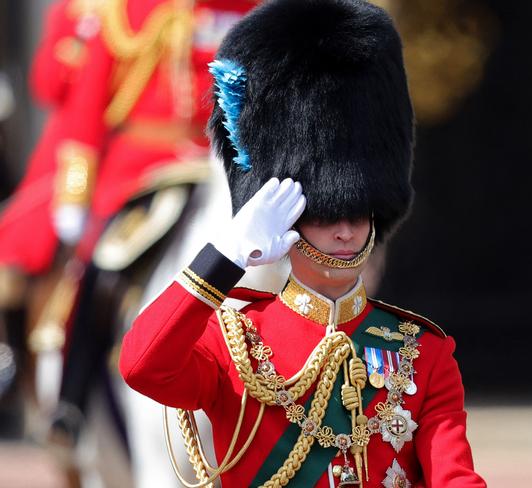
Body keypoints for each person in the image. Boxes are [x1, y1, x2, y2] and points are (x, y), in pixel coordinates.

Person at [120, 0, 486, 486]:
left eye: (358, 213)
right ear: (289, 223)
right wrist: (224, 258)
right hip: (154, 164)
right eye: (325, 214)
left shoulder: (423, 354)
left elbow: (455, 478)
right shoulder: (234, 345)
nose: (345, 231)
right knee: (102, 268)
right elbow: (144, 365)